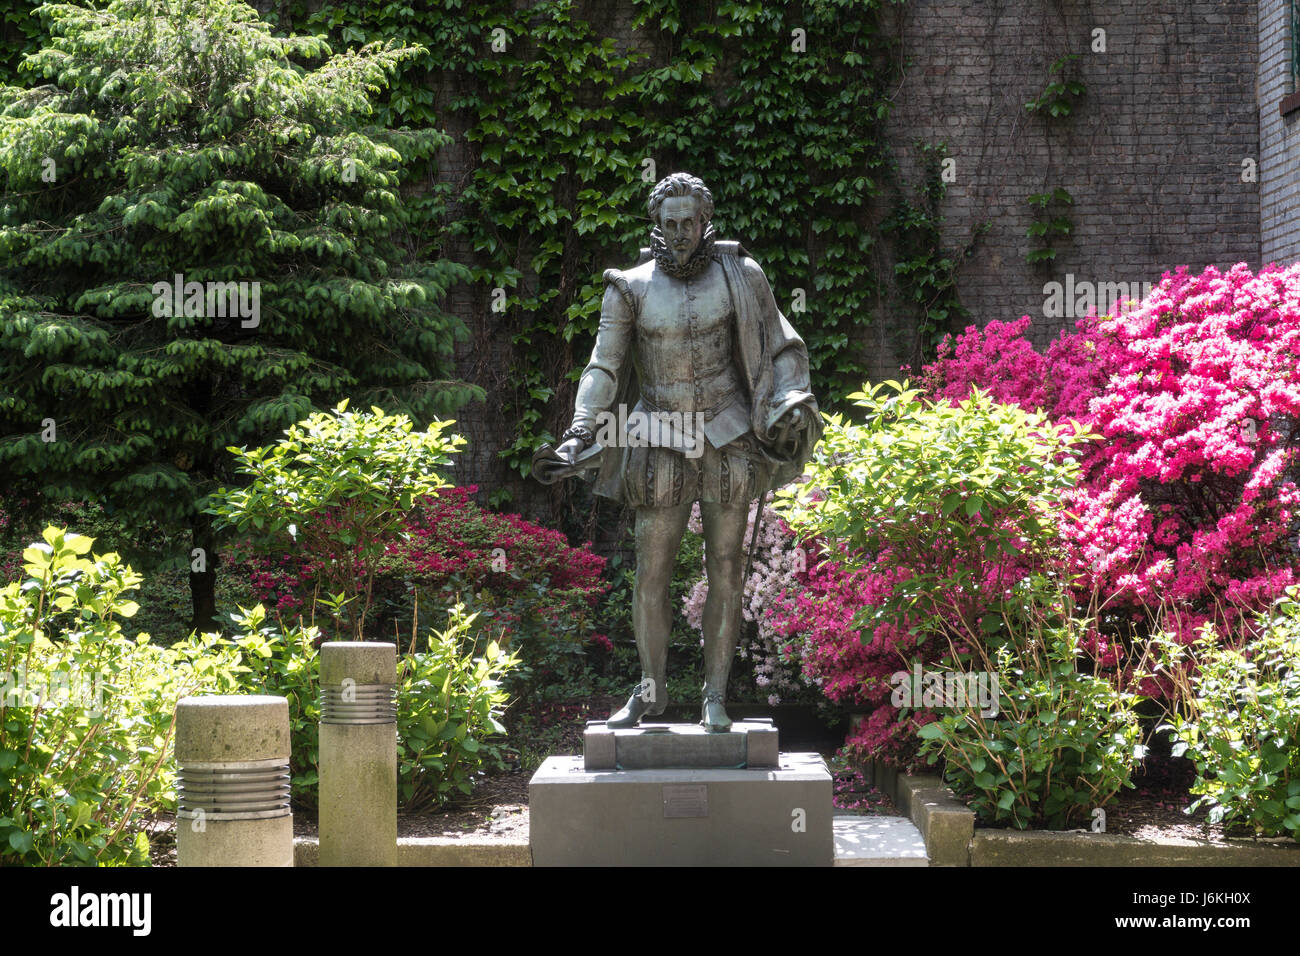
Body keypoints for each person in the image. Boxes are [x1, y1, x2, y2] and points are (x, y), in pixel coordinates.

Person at [538, 172, 820, 732]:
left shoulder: (742, 274)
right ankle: (650, 690)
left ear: (703, 219)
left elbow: (778, 344)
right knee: (651, 572)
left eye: (690, 222)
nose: (681, 232)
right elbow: (603, 365)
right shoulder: (629, 286)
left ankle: (715, 696)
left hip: (729, 432)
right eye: (670, 223)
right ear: (656, 224)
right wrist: (580, 429)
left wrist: (788, 399)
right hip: (658, 437)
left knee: (726, 566)